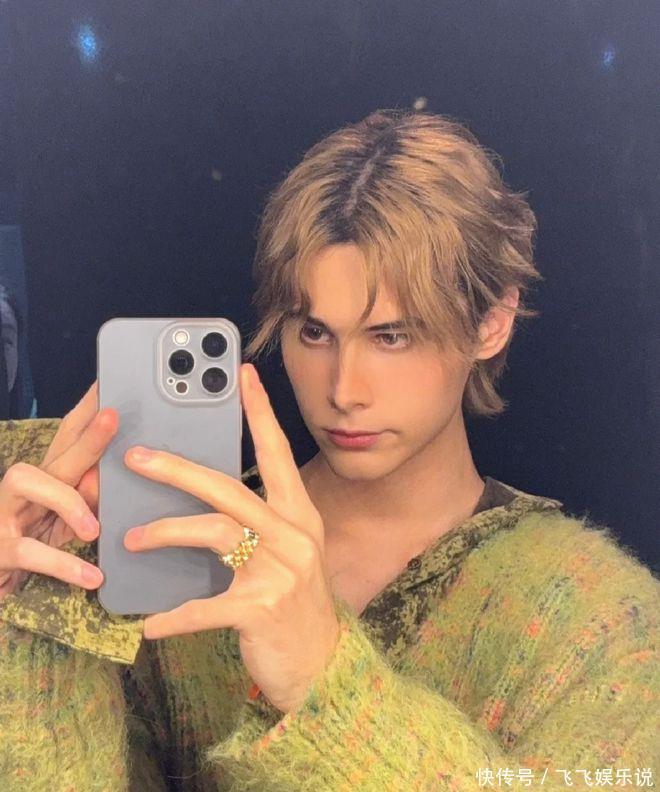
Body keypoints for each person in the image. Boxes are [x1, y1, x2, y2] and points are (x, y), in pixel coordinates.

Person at [0, 109, 658, 791]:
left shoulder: (602, 618)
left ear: (491, 324)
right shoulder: (182, 553)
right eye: (314, 333)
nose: (344, 390)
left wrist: (328, 688)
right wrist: (25, 624)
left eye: (391, 336)